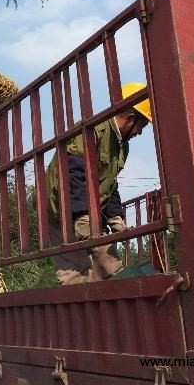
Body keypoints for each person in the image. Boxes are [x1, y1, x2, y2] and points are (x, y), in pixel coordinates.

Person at [46, 82, 153, 285]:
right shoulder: (92, 129)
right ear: (131, 118)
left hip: (90, 211)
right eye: (142, 125)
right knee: (75, 273)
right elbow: (72, 173)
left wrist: (116, 218)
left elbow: (110, 183)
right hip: (60, 207)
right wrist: (81, 216)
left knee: (109, 268)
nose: (140, 132)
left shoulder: (122, 145)